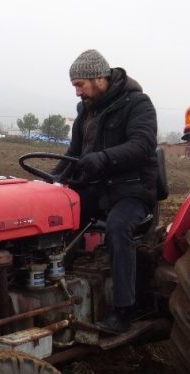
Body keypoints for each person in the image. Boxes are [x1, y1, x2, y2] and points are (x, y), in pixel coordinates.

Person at [54, 49, 158, 333]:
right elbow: (74, 154)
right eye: (75, 85)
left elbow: (142, 145)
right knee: (58, 216)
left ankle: (125, 311)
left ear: (99, 78)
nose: (77, 92)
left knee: (118, 227)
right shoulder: (86, 111)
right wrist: (52, 182)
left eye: (80, 85)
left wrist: (104, 158)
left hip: (132, 190)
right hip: (98, 189)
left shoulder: (137, 104)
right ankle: (54, 286)